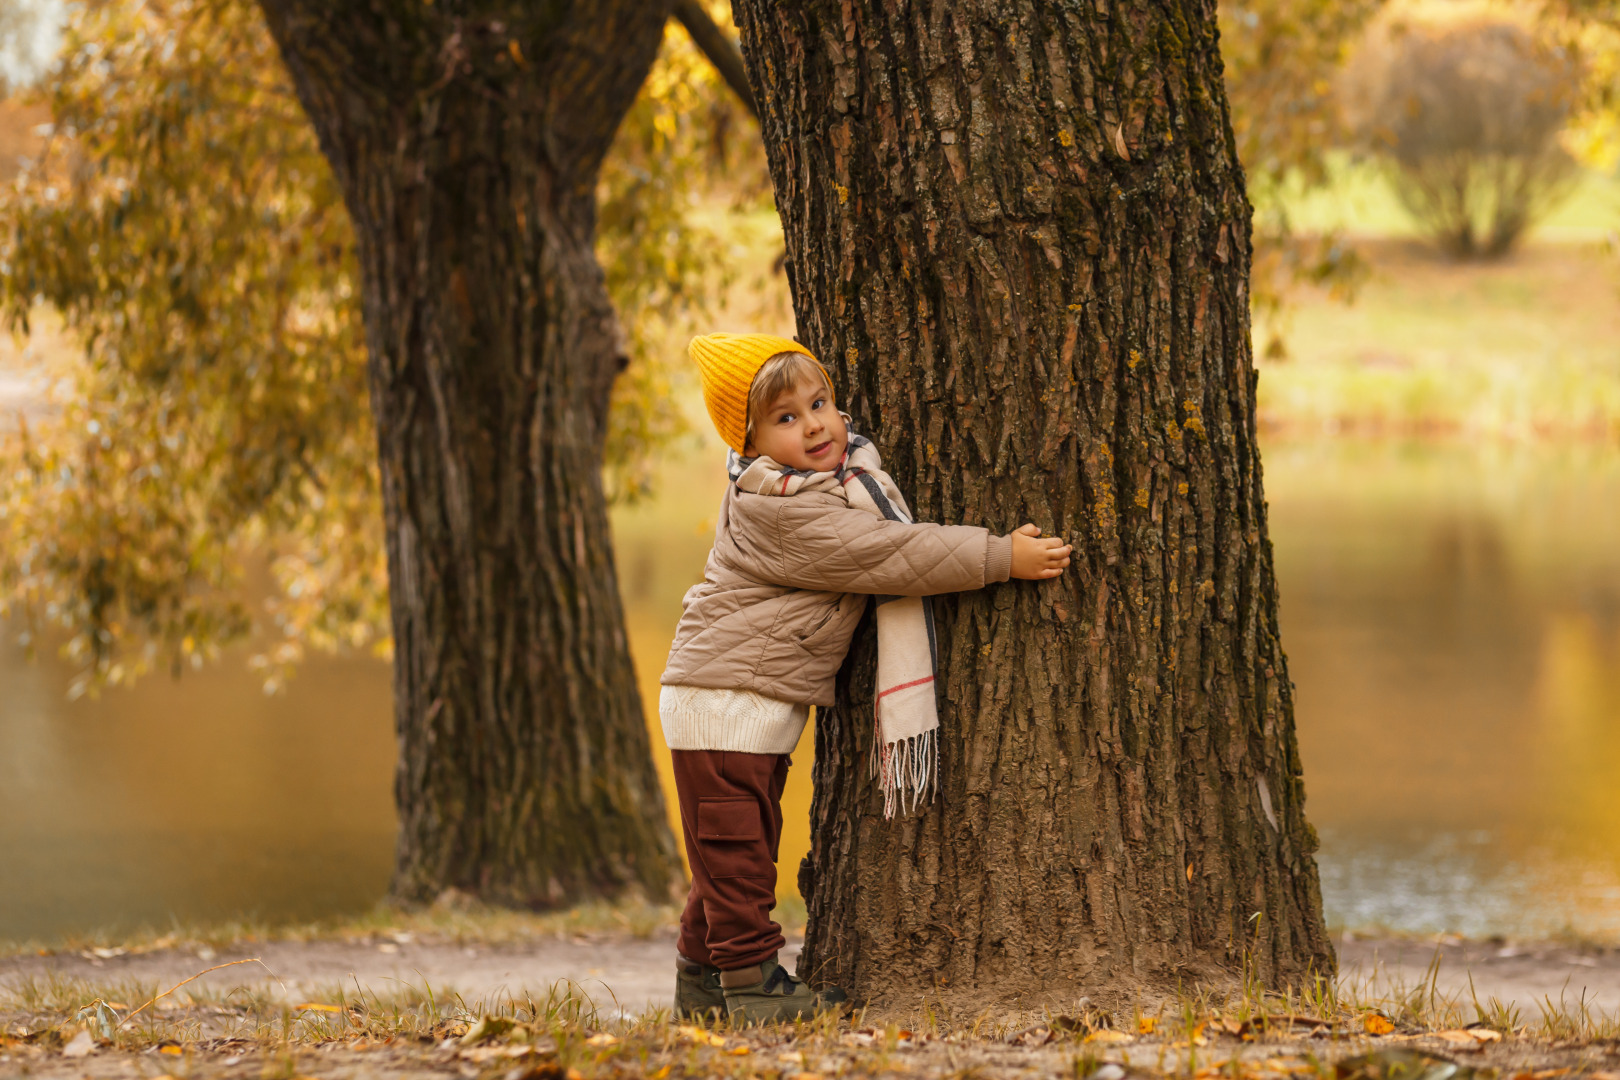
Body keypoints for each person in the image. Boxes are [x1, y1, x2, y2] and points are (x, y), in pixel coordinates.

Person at [662, 332, 1072, 1024]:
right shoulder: (784, 510)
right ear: (751, 441)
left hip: (739, 705)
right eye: (786, 419)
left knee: (730, 847)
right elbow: (890, 553)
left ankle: (702, 983)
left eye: (819, 402)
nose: (816, 425)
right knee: (737, 854)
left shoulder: (814, 485)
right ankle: (754, 985)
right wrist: (1000, 555)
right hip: (722, 704)